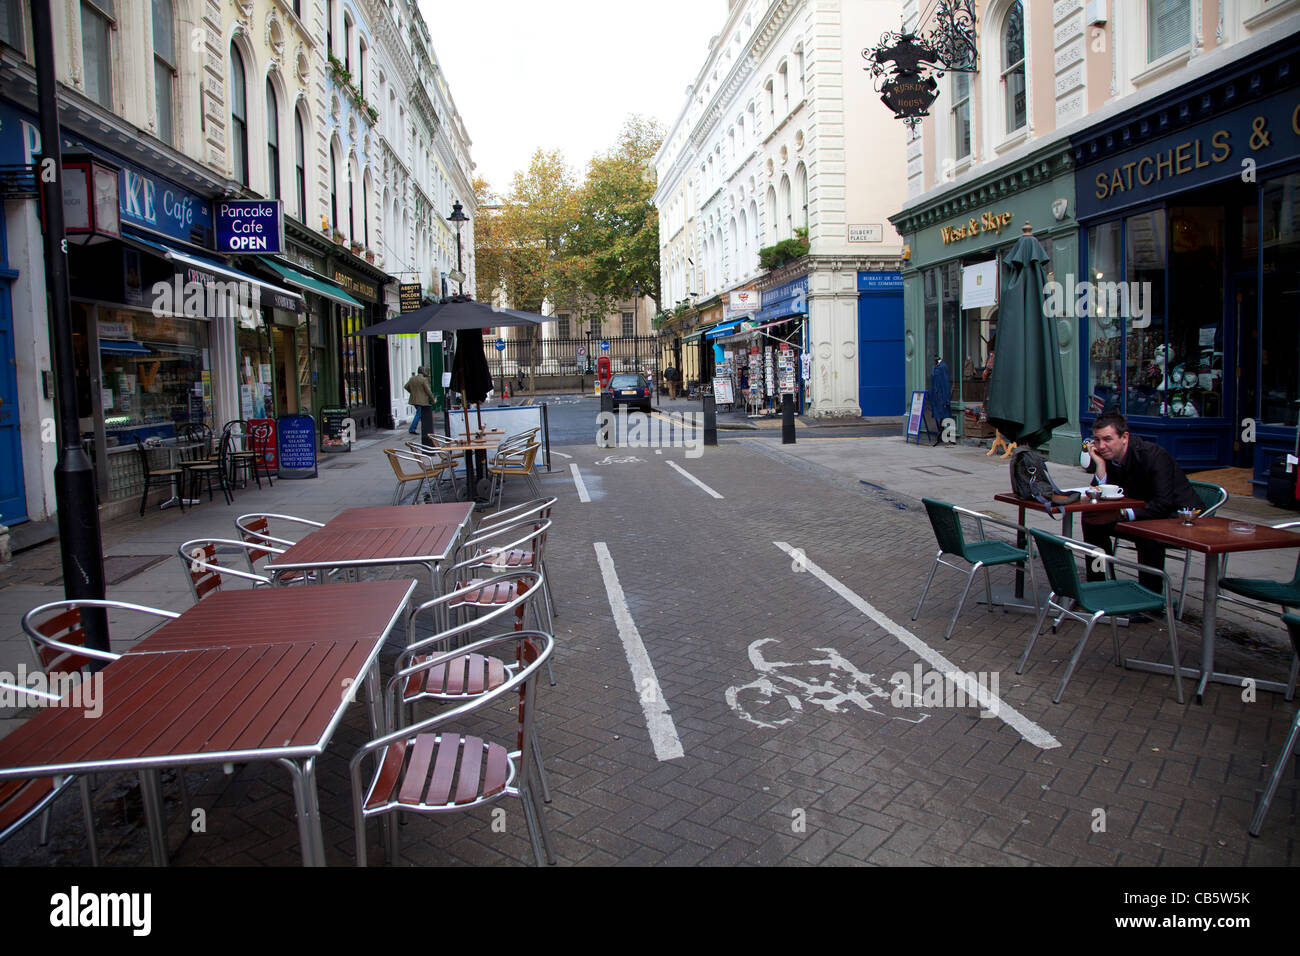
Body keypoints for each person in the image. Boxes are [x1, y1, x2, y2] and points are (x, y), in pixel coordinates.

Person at [1081, 410, 1200, 593]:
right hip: (1142, 512)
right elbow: (1099, 497)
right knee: (1092, 520)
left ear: (1124, 437)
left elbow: (1162, 504)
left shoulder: (1153, 455)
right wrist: (1101, 467)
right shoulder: (1109, 457)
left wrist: (1121, 513)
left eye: (1107, 439)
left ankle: (1150, 599)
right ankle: (1100, 584)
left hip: (1179, 516)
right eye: (1097, 440)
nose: (1101, 446)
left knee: (1146, 532)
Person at [404, 366, 434, 435]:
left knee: (420, 414)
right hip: (421, 401)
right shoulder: (423, 380)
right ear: (423, 372)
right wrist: (433, 399)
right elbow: (428, 391)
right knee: (418, 414)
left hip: (414, 400)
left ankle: (421, 428)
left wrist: (413, 392)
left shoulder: (412, 379)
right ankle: (412, 429)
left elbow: (406, 387)